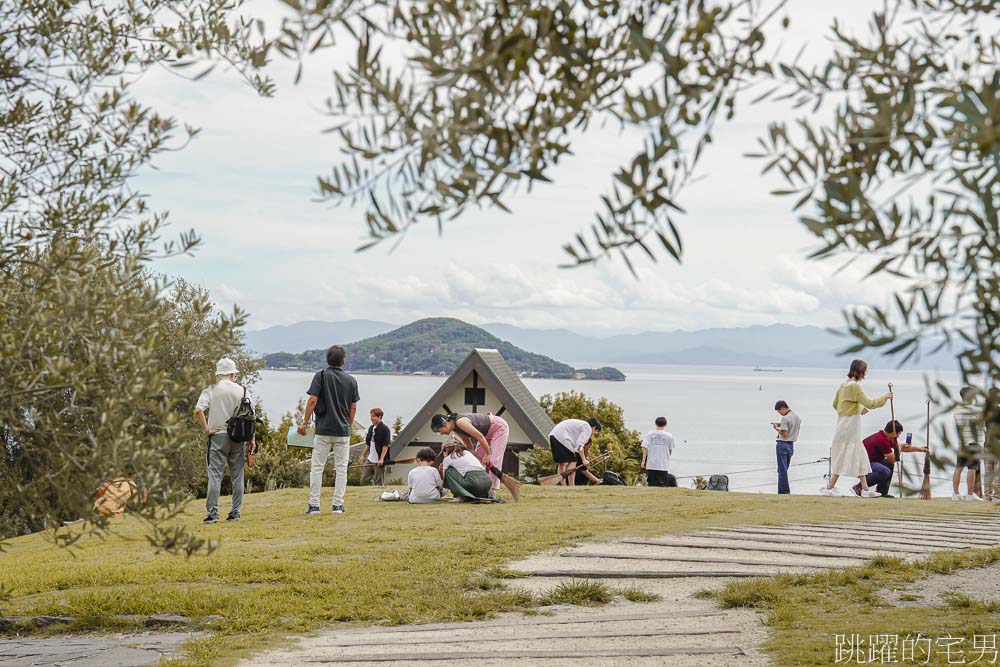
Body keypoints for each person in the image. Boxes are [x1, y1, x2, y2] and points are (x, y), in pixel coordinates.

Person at [298, 345, 359, 515]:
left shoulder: (321, 376)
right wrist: (348, 424)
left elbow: (312, 401)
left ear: (327, 360)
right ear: (343, 361)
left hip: (323, 430)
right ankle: (338, 505)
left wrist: (304, 423)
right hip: (342, 431)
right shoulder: (351, 380)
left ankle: (314, 506)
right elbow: (353, 407)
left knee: (317, 468)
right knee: (341, 469)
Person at [821, 359, 893, 497]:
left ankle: (864, 489)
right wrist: (886, 397)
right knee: (849, 453)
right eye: (865, 371)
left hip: (842, 423)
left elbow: (836, 404)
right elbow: (871, 404)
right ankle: (830, 488)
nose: (866, 373)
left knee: (858, 454)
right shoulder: (855, 387)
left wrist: (857, 408)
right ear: (861, 371)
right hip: (850, 425)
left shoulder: (843, 385)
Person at [194, 358, 253, 524]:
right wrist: (251, 440)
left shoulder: (210, 389)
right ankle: (235, 513)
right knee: (237, 476)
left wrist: (206, 430)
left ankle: (212, 514)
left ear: (218, 374)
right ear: (233, 374)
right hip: (238, 437)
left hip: (218, 436)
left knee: (215, 476)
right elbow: (251, 417)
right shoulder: (243, 391)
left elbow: (198, 411)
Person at [431, 412, 509, 498]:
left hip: (498, 428)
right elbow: (467, 442)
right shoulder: (455, 428)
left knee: (494, 460)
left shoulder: (461, 422)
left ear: (444, 424)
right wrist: (473, 454)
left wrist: (488, 453)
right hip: (486, 433)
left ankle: (492, 491)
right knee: (478, 460)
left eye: (439, 430)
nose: (441, 433)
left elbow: (479, 436)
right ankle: (480, 487)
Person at [852, 420, 928, 497]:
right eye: (899, 434)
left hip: (873, 461)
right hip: (863, 463)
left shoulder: (885, 437)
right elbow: (893, 459)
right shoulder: (882, 440)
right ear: (893, 433)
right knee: (884, 471)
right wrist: (900, 447)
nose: (898, 436)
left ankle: (882, 492)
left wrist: (920, 449)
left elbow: (902, 448)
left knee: (889, 465)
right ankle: (858, 487)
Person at [549, 418, 603, 487]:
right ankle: (571, 485)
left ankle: (564, 485)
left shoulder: (581, 425)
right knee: (573, 461)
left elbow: (577, 448)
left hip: (554, 435)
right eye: (596, 431)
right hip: (562, 437)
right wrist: (584, 460)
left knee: (563, 463)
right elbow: (580, 446)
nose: (594, 433)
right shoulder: (587, 428)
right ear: (594, 427)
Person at [953, 386, 985, 501]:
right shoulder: (975, 410)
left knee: (959, 467)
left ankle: (955, 494)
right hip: (973, 443)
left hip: (962, 443)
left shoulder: (956, 410)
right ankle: (970, 494)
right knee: (972, 468)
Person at [439, 437, 495, 502]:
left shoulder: (448, 458)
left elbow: (444, 478)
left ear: (445, 450)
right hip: (487, 483)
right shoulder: (467, 452)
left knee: (448, 471)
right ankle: (480, 497)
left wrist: (439, 489)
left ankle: (459, 496)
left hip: (474, 483)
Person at [771, 401, 801, 495]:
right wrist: (780, 424)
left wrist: (776, 428)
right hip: (791, 445)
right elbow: (790, 426)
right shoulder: (797, 417)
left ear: (782, 408)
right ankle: (784, 491)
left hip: (782, 444)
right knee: (784, 469)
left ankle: (783, 491)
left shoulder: (785, 418)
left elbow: (784, 434)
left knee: (781, 470)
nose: (779, 414)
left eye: (779, 411)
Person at [359, 408, 392, 486]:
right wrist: (362, 456)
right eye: (371, 416)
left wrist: (381, 459)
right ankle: (371, 490)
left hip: (378, 461)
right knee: (363, 480)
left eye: (373, 416)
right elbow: (368, 444)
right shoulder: (371, 428)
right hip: (370, 459)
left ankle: (378, 496)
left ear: (379, 416)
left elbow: (385, 446)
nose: (371, 418)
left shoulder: (385, 429)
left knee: (379, 483)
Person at [640, 417, 675, 487]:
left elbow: (644, 447)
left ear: (656, 424)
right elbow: (670, 450)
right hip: (663, 464)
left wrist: (643, 461)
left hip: (651, 464)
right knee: (662, 484)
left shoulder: (649, 434)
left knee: (651, 484)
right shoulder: (669, 436)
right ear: (665, 424)